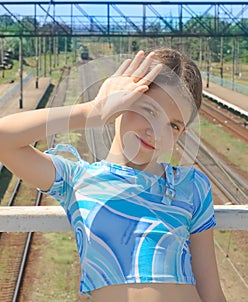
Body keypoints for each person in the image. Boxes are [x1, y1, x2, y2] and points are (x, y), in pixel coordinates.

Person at [0, 48, 226, 302]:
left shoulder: (191, 185)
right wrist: (90, 112)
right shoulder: (78, 180)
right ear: (120, 102)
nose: (156, 132)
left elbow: (211, 291)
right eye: (148, 110)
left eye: (173, 125)